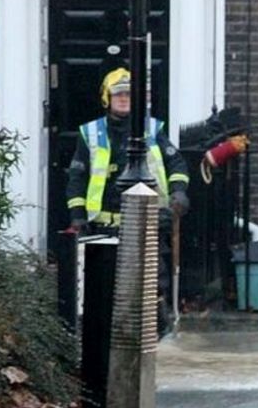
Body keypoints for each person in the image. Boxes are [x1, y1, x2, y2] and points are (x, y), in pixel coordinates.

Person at [65, 67, 191, 337]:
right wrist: (77, 215)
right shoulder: (90, 133)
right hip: (101, 226)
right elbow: (77, 177)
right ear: (106, 98)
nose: (124, 99)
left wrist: (179, 193)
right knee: (102, 284)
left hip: (147, 222)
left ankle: (155, 333)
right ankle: (104, 335)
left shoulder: (153, 129)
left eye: (129, 95)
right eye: (118, 94)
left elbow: (176, 164)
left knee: (153, 282)